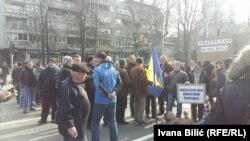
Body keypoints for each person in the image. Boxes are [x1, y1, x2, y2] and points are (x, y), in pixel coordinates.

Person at [204, 45, 250, 124]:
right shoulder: (227, 90)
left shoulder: (228, 90)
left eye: (220, 63)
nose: (219, 65)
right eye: (218, 63)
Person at [56, 63, 90, 141]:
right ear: (79, 75)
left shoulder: (76, 83)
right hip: (74, 126)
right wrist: (70, 126)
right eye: (84, 75)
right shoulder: (66, 87)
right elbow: (64, 108)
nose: (86, 77)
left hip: (79, 123)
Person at [91, 52, 121, 141]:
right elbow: (119, 84)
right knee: (113, 122)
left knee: (95, 123)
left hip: (100, 100)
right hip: (112, 100)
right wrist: (114, 93)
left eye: (96, 58)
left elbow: (98, 84)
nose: (95, 60)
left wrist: (107, 94)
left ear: (99, 58)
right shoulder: (115, 70)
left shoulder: (97, 69)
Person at [131, 58, 153, 126]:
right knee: (142, 105)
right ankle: (140, 120)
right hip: (141, 90)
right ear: (142, 62)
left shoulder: (133, 69)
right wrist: (151, 82)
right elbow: (143, 80)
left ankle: (136, 118)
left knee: (137, 105)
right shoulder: (141, 69)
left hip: (134, 90)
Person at [38, 59, 60, 124]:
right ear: (48, 63)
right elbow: (40, 81)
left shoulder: (59, 71)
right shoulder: (43, 71)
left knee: (55, 106)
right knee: (45, 106)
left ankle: (54, 118)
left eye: (53, 62)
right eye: (50, 62)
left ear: (55, 63)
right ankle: (43, 119)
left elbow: (61, 80)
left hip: (55, 92)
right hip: (46, 92)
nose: (51, 63)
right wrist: (40, 89)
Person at [116, 59, 130, 125]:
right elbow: (127, 82)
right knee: (122, 106)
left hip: (118, 91)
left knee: (118, 106)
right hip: (123, 91)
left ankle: (117, 118)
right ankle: (121, 120)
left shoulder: (117, 70)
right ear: (124, 63)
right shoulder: (124, 71)